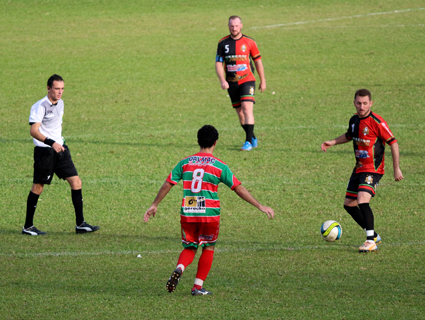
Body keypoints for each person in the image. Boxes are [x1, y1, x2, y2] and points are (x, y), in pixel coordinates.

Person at [144, 125, 274, 295]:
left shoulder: (185, 163)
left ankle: (180, 267)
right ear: (215, 142)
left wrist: (155, 204)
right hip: (209, 214)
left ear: (198, 141)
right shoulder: (219, 166)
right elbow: (237, 187)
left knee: (190, 247)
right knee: (208, 247)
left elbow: (168, 183)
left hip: (188, 211)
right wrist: (259, 205)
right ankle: (197, 286)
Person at [321, 89, 403, 252]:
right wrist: (333, 142)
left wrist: (396, 169)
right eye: (359, 103)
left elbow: (393, 143)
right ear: (354, 103)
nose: (361, 106)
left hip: (373, 169)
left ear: (370, 103)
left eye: (365, 103)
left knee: (362, 200)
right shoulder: (354, 120)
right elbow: (349, 135)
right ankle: (373, 235)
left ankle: (370, 241)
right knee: (349, 205)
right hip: (358, 168)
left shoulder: (377, 122)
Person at [23, 74, 100, 235]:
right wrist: (52, 143)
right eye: (57, 89)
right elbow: (33, 131)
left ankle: (80, 224)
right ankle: (28, 227)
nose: (60, 92)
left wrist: (59, 143)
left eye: (62, 89)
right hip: (45, 152)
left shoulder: (61, 103)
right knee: (38, 187)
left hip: (61, 150)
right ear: (48, 88)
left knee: (76, 182)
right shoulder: (40, 106)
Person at [215, 15, 266, 151]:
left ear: (241, 25)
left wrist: (263, 80)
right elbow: (218, 63)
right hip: (231, 83)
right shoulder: (222, 43)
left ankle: (248, 141)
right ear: (228, 26)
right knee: (240, 113)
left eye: (236, 26)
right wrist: (222, 80)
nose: (234, 28)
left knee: (247, 108)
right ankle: (252, 136)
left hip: (247, 80)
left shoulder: (249, 42)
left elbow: (257, 61)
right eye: (232, 26)